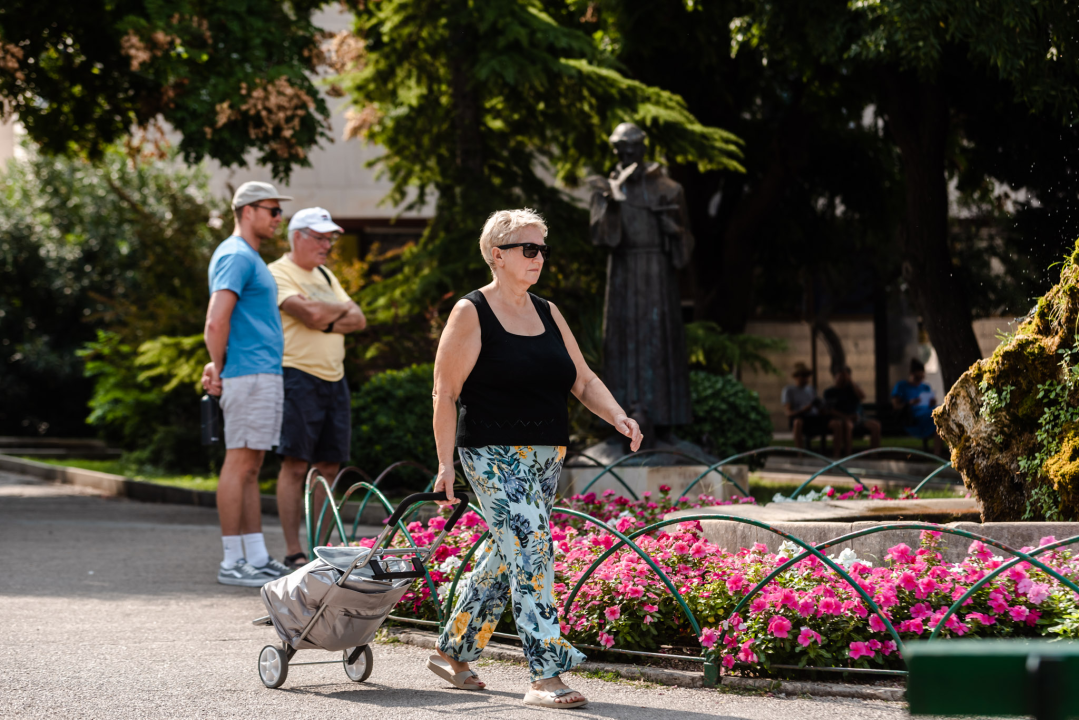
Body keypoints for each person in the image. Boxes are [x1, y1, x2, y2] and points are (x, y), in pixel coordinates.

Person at [428, 209, 642, 708]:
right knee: (532, 547)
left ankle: (453, 651)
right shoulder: (471, 311)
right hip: (490, 451)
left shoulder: (547, 311)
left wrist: (618, 417)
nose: (539, 258)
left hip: (547, 453)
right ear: (497, 255)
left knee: (507, 553)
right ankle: (545, 674)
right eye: (529, 248)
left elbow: (582, 379)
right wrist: (445, 464)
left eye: (543, 249)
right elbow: (445, 393)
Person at [200, 181, 294, 587]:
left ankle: (254, 556)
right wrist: (218, 367)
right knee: (239, 465)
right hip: (248, 375)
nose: (278, 218)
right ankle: (231, 561)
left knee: (252, 467)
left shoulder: (247, 256)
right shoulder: (236, 254)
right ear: (248, 211)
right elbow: (215, 321)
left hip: (260, 374)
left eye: (278, 211)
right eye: (272, 210)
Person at [269, 207, 367, 570]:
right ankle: (294, 551)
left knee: (329, 466)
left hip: (334, 378)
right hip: (297, 375)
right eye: (320, 238)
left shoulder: (325, 274)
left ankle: (319, 552)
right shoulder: (278, 272)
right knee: (295, 464)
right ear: (297, 237)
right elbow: (306, 315)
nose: (327, 245)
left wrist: (327, 313)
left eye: (331, 238)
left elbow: (358, 319)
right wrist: (334, 313)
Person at [782, 362, 845, 458]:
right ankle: (800, 455)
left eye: (807, 375)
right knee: (797, 422)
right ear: (796, 376)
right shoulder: (789, 390)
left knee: (836, 424)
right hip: (800, 417)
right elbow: (788, 412)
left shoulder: (811, 389)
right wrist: (803, 410)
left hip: (814, 418)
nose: (806, 378)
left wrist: (822, 408)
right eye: (803, 375)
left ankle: (837, 455)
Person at [824, 366, 882, 456]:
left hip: (858, 418)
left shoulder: (852, 389)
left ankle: (874, 455)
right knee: (848, 425)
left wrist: (850, 381)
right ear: (835, 376)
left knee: (876, 426)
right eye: (840, 376)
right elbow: (829, 410)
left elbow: (862, 396)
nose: (842, 379)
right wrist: (846, 417)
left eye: (844, 376)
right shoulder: (830, 392)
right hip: (842, 419)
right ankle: (847, 455)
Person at [892, 358, 945, 455]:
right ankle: (937, 454)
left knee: (940, 417)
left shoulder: (925, 387)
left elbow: (930, 402)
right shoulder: (902, 386)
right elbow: (896, 406)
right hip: (913, 418)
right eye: (917, 377)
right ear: (911, 374)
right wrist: (910, 403)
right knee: (938, 418)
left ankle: (938, 454)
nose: (919, 380)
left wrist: (931, 402)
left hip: (928, 413)